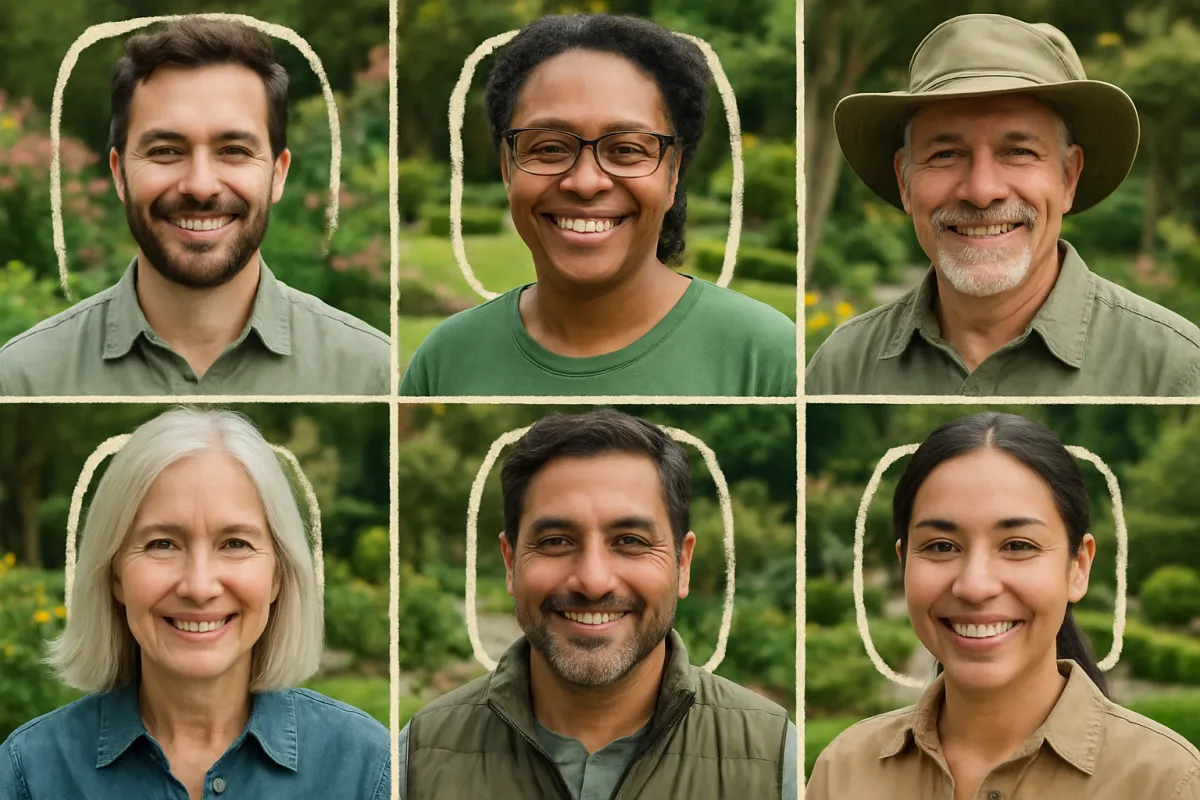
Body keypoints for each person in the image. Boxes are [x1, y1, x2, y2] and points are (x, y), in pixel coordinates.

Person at [396, 409, 798, 798]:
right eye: (556, 541)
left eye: (630, 541)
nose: (592, 581)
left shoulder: (773, 758)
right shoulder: (418, 757)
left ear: (683, 563)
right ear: (510, 562)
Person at [806, 412, 1200, 799]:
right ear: (903, 563)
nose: (975, 586)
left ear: (1078, 567)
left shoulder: (1165, 782)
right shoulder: (844, 771)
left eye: (1017, 546)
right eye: (941, 546)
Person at [399, 14, 796, 397]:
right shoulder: (446, 360)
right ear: (507, 167)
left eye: (625, 149)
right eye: (550, 147)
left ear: (673, 174)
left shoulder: (765, 357)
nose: (586, 182)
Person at [0, 408, 391, 798]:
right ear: (114, 575)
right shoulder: (28, 774)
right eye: (162, 544)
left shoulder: (366, 768)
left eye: (235, 543)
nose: (199, 586)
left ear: (278, 575)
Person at [805, 14, 1200, 396]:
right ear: (904, 180)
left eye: (1018, 151)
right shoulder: (842, 366)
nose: (981, 190)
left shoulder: (1174, 369)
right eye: (945, 154)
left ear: (1069, 176)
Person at [0, 19, 390, 396]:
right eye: (166, 151)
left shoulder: (370, 372)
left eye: (234, 151)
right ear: (120, 175)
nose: (201, 185)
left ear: (277, 175)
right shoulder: (22, 378)